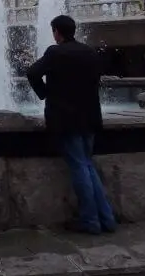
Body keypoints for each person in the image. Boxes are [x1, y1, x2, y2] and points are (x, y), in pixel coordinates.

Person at [27, 15, 116, 235]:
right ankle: (107, 218)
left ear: (57, 31)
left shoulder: (55, 52)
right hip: (90, 117)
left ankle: (90, 221)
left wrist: (45, 93)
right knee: (87, 164)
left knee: (79, 167)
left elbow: (32, 73)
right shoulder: (89, 52)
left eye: (53, 31)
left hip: (66, 119)